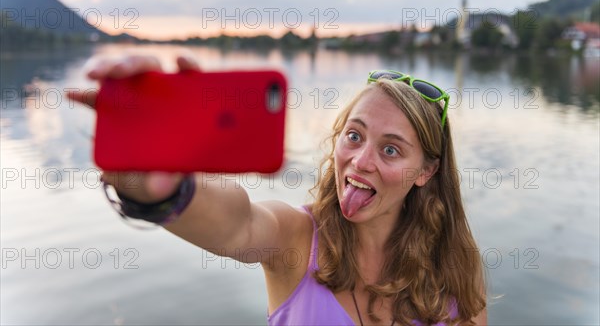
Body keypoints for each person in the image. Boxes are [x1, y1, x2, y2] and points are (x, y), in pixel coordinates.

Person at [69, 55, 487, 326]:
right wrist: (163, 188)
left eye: (391, 149)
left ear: (426, 171)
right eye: (354, 136)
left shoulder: (454, 270)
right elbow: (239, 224)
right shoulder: (296, 238)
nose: (361, 162)